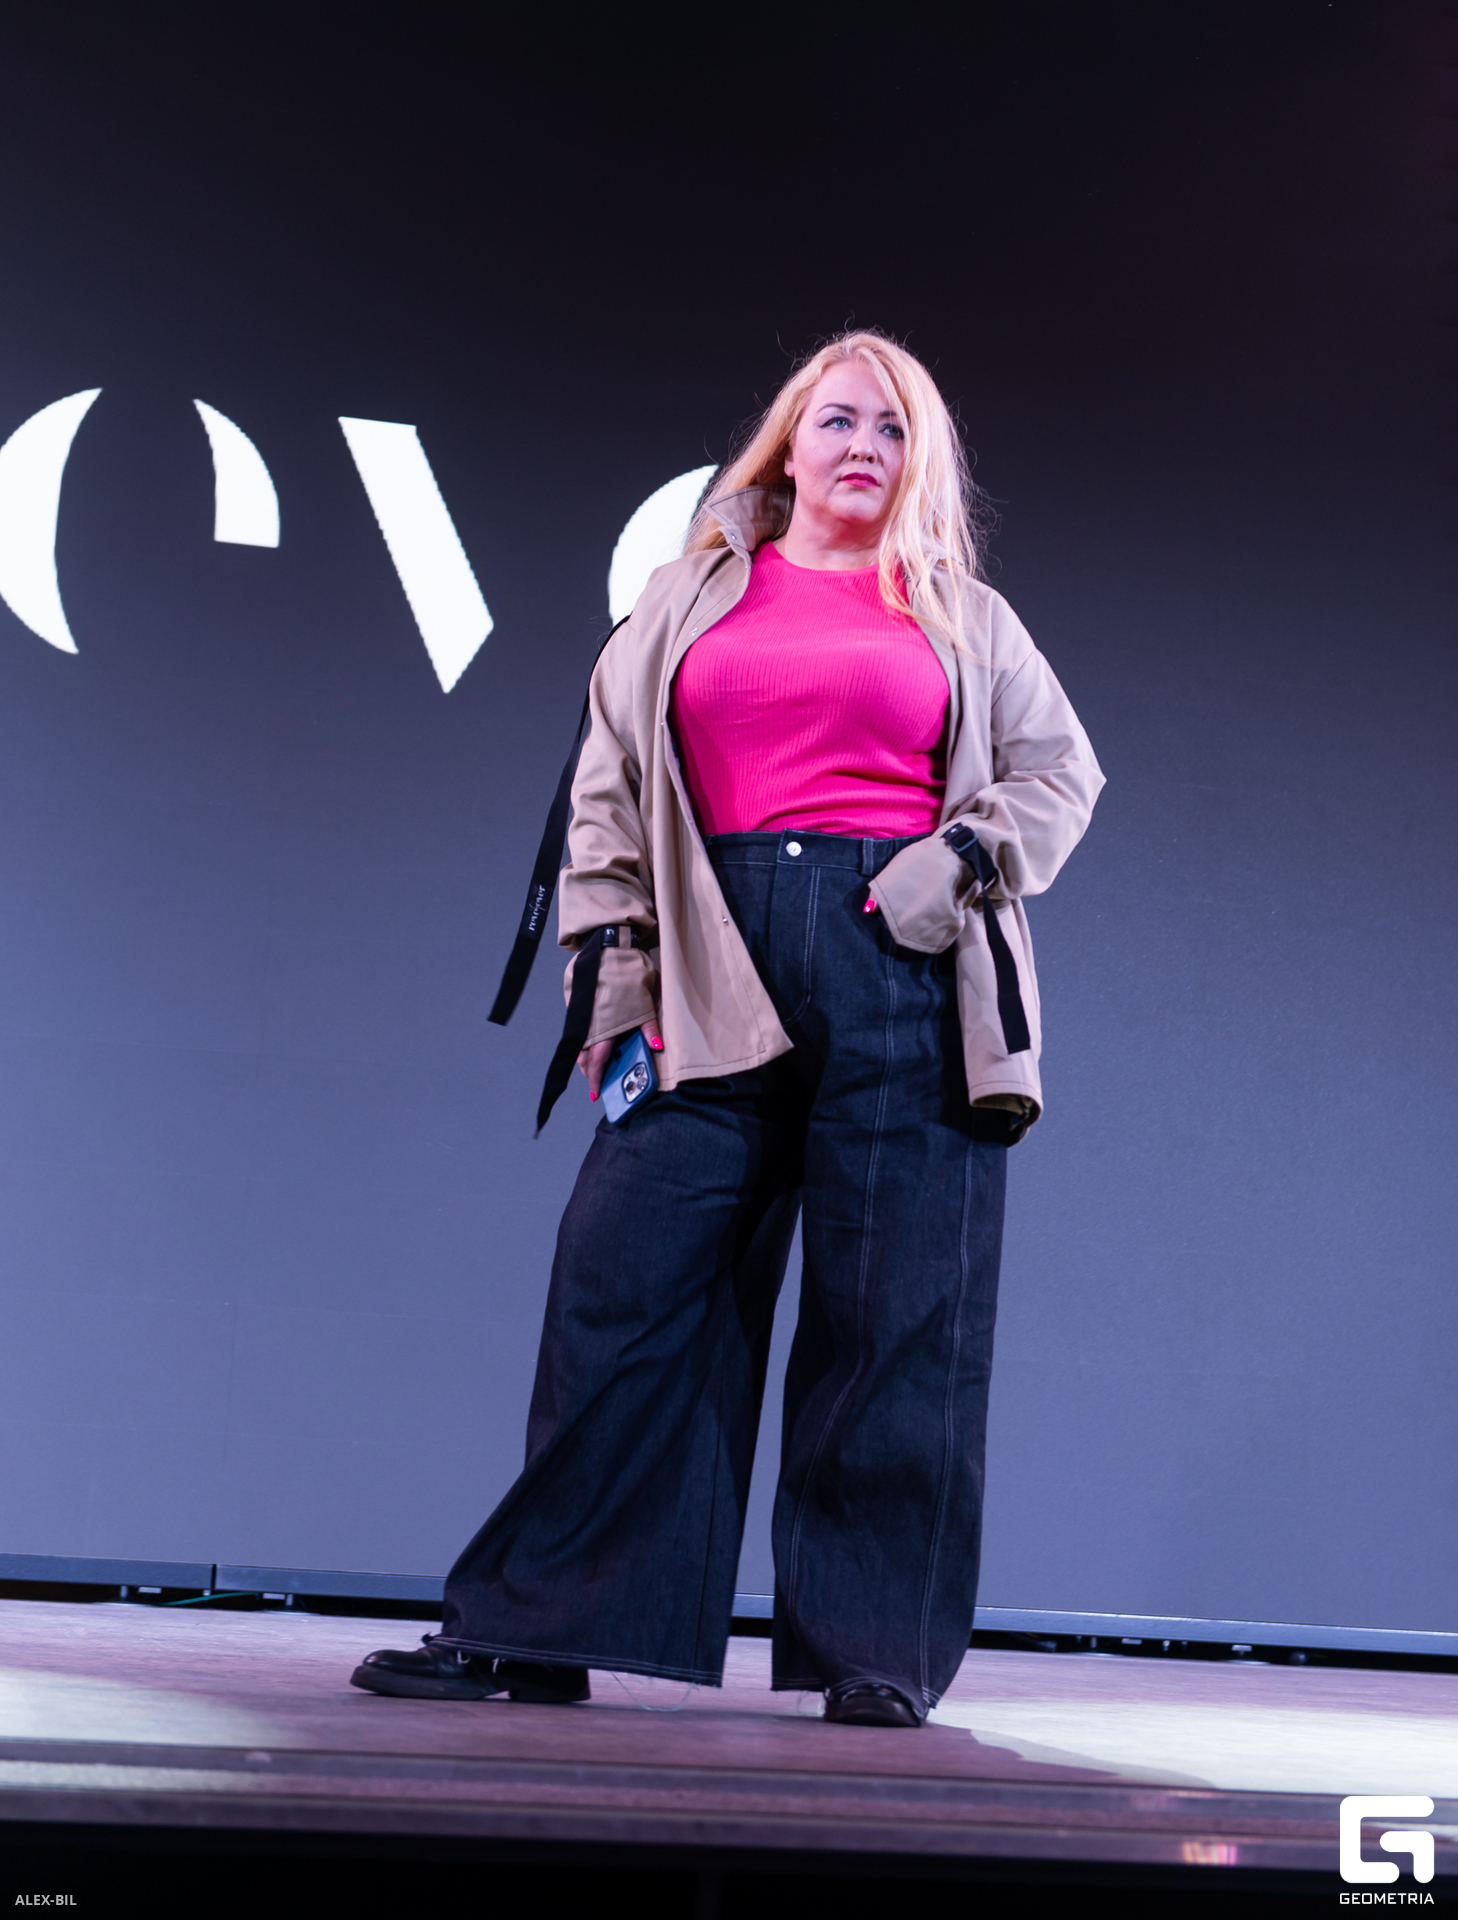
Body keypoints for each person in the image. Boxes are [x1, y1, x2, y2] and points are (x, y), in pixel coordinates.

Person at [352, 331, 1103, 1726]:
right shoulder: (690, 595)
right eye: (839, 420)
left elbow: (1061, 774)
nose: (864, 447)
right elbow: (606, 792)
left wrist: (941, 875)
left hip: (902, 970)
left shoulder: (964, 615)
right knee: (624, 1292)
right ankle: (541, 1626)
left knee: (897, 1322)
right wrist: (613, 980)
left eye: (893, 428)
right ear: (788, 443)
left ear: (919, 463)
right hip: (709, 959)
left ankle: (874, 1655)